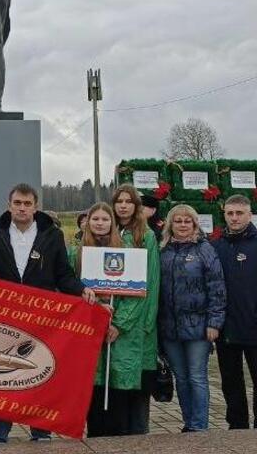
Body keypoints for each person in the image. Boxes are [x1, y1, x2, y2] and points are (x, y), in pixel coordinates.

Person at [0, 184, 96, 444]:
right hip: (3, 318)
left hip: (41, 321)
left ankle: (41, 430)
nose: (22, 208)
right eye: (17, 202)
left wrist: (81, 290)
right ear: (9, 205)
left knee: (39, 373)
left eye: (27, 203)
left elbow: (63, 274)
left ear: (35, 206)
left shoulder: (51, 235)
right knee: (2, 375)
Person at [68, 202, 147, 438]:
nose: (100, 223)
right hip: (89, 327)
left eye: (105, 219)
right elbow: (70, 288)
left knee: (117, 389)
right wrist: (94, 317)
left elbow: (136, 296)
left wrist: (117, 323)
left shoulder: (127, 251)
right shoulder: (76, 252)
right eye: (95, 219)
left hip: (118, 332)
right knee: (92, 384)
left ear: (112, 223)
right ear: (87, 222)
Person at [211, 195, 257, 429]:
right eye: (230, 213)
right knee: (231, 382)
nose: (234, 218)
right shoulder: (217, 245)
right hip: (227, 329)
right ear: (224, 214)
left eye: (239, 213)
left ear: (249, 214)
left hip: (255, 326)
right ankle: (237, 426)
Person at [159, 204, 227, 432]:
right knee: (181, 378)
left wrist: (214, 322)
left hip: (199, 326)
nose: (182, 225)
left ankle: (199, 426)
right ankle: (188, 423)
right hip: (170, 327)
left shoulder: (204, 250)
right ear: (171, 224)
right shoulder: (163, 250)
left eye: (187, 221)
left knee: (197, 377)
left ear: (195, 224)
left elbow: (217, 287)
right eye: (178, 221)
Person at [111, 184, 161, 434]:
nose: (123, 205)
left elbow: (148, 283)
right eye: (119, 201)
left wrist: (124, 323)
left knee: (138, 387)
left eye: (128, 201)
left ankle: (139, 440)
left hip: (137, 324)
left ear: (136, 206)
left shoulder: (146, 236)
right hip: (109, 322)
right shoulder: (106, 232)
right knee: (114, 389)